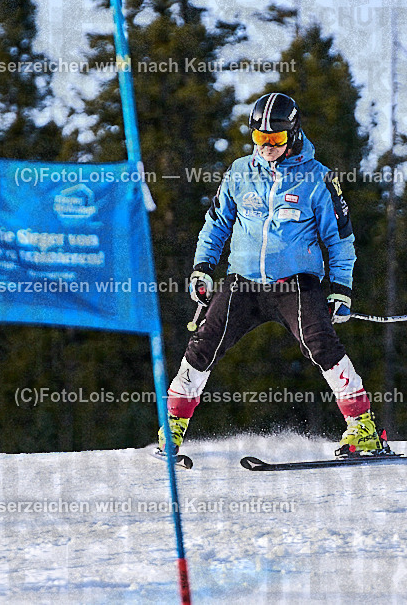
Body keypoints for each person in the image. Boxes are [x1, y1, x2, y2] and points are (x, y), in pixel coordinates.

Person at [157, 93, 384, 458]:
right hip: (243, 281)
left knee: (321, 343)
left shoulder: (317, 179)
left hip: (295, 283)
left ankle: (363, 427)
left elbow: (340, 240)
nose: (267, 148)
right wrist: (202, 267)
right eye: (259, 140)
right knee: (204, 342)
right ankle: (173, 425)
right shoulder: (239, 172)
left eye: (275, 140)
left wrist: (341, 288)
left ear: (292, 134)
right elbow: (215, 226)